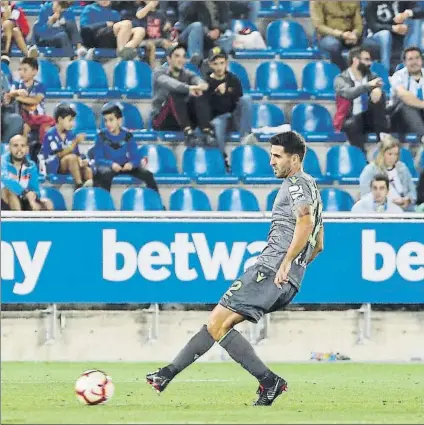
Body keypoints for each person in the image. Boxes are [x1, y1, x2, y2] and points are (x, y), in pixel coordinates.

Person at [146, 131, 324, 406]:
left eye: (277, 156)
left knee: (218, 323)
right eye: (271, 155)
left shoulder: (296, 184)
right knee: (219, 323)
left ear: (295, 159)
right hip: (288, 278)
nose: (272, 162)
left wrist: (285, 262)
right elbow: (319, 244)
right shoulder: (312, 186)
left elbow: (305, 222)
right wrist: (295, 269)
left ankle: (269, 381)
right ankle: (165, 374)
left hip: (270, 268)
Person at [151, 44, 215, 147]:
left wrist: (202, 85)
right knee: (177, 92)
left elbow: (197, 79)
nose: (181, 59)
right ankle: (188, 134)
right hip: (162, 120)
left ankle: (207, 131)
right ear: (169, 58)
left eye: (183, 56)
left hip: (183, 118)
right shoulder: (159, 72)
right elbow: (171, 84)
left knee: (199, 93)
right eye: (177, 56)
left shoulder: (186, 73)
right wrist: (189, 88)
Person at [93, 103, 159, 193]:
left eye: (111, 120)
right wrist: (111, 164)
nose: (108, 124)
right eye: (105, 121)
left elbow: (136, 157)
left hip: (123, 166)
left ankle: (157, 202)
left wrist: (131, 164)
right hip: (108, 166)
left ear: (119, 121)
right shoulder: (101, 136)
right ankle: (105, 203)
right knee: (105, 174)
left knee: (148, 175)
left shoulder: (128, 136)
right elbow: (98, 159)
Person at [334, 46, 389, 153]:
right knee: (352, 123)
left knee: (380, 97)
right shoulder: (341, 79)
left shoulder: (372, 76)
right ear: (355, 60)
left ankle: (383, 143)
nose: (370, 63)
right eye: (366, 60)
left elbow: (379, 95)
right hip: (349, 119)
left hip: (369, 119)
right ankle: (362, 157)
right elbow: (348, 93)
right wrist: (368, 86)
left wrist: (377, 91)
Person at [206, 47, 253, 167]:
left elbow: (238, 99)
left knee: (247, 99)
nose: (219, 67)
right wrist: (217, 93)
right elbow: (207, 107)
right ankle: (222, 160)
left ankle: (244, 139)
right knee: (218, 123)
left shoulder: (233, 79)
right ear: (210, 64)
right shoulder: (206, 82)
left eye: (222, 63)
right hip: (217, 119)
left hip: (233, 118)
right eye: (215, 64)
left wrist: (226, 91)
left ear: (226, 63)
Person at [310, 1, 378, 71]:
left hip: (350, 36)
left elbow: (359, 23)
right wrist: (341, 35)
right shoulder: (317, 1)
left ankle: (367, 75)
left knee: (372, 45)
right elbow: (319, 26)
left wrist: (355, 34)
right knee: (333, 45)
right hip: (328, 36)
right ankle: (343, 73)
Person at [359, 134, 417, 211]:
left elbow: (412, 192)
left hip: (405, 210)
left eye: (396, 154)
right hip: (380, 211)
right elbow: (365, 196)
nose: (393, 158)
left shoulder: (402, 168)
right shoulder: (370, 170)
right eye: (390, 154)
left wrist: (407, 199)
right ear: (382, 153)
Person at [42, 103, 93, 190]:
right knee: (71, 158)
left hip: (71, 164)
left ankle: (91, 189)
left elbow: (76, 154)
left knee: (86, 168)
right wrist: (75, 142)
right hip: (54, 165)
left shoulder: (71, 134)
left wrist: (81, 161)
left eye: (73, 120)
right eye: (70, 120)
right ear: (60, 119)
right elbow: (59, 154)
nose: (73, 123)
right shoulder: (50, 134)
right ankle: (79, 186)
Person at [9, 57, 55, 150]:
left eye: (25, 70)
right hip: (24, 118)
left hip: (39, 118)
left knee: (48, 128)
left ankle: (44, 150)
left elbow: (36, 100)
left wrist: (18, 97)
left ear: (34, 71)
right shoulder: (17, 84)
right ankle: (24, 151)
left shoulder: (40, 86)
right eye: (20, 69)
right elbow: (9, 95)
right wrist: (15, 94)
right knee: (25, 128)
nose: (21, 72)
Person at [365, 1, 424, 74]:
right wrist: (393, 28)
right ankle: (385, 71)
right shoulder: (373, 3)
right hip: (377, 35)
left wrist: (407, 14)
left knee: (417, 23)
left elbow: (420, 10)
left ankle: (411, 63)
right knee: (385, 35)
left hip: (401, 35)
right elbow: (373, 26)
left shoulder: (404, 2)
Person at [1, 134, 53, 211]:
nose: (19, 149)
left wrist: (34, 196)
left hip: (23, 198)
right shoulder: (2, 162)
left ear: (27, 149)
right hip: (4, 200)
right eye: (15, 145)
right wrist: (25, 192)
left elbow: (35, 188)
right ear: (9, 148)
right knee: (8, 191)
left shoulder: (31, 166)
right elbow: (5, 179)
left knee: (47, 203)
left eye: (22, 146)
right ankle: (17, 221)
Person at [120, 0, 174, 66]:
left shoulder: (160, 13)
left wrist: (167, 25)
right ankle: (152, 70)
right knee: (151, 45)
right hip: (143, 40)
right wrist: (150, 6)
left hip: (158, 39)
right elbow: (139, 15)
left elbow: (168, 24)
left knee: (168, 44)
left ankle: (166, 65)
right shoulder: (141, 10)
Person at [390, 46, 424, 140]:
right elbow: (404, 95)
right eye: (410, 59)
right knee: (405, 104)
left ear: (422, 60)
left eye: (417, 58)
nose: (414, 62)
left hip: (421, 116)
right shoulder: (398, 76)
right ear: (404, 63)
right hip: (399, 119)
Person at [1, 70, 23, 143]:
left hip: (3, 111)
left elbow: (7, 95)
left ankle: (5, 148)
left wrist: (7, 98)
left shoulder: (1, 75)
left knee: (16, 120)